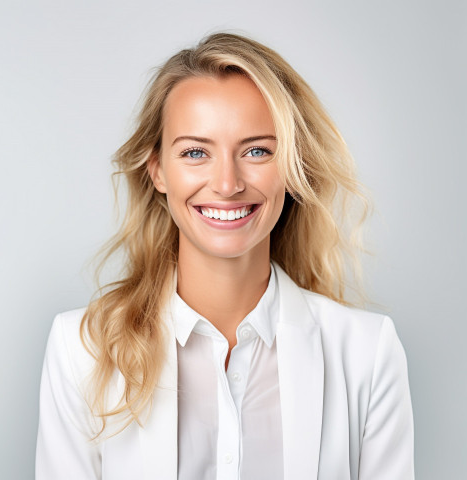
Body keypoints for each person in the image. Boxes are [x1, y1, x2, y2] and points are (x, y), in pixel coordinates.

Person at [35, 32, 415, 479]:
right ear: (158, 170)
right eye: (196, 152)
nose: (227, 183)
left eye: (257, 150)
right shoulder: (82, 348)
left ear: (293, 168)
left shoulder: (367, 352)